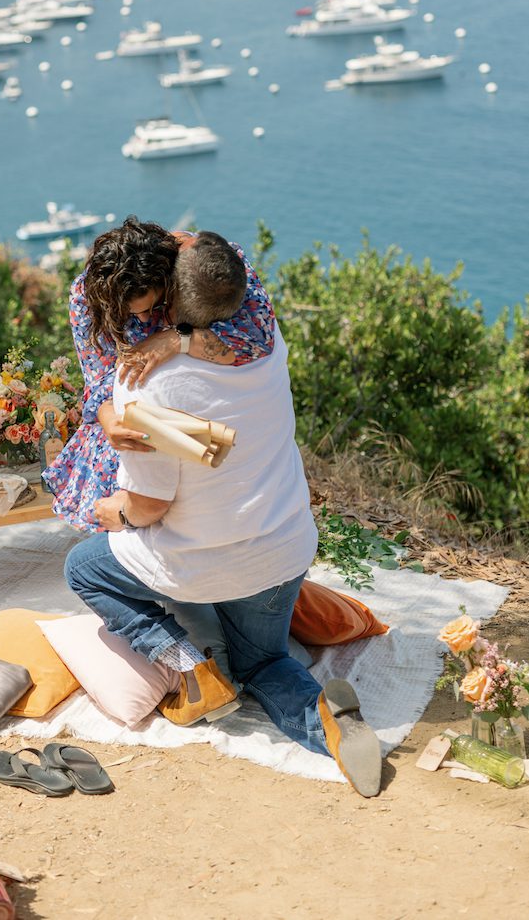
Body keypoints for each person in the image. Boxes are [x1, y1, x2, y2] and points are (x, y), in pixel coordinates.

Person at [63, 326, 384, 797]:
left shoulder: (144, 383)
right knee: (263, 663)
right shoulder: (265, 346)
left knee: (83, 567)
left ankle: (195, 671)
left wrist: (113, 512)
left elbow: (149, 506)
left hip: (203, 566)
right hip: (281, 554)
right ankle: (328, 727)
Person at [42, 217, 276, 531]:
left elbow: (258, 340)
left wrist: (177, 338)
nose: (142, 319)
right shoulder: (86, 298)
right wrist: (109, 420)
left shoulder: (207, 264)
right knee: (121, 477)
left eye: (152, 307)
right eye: (130, 314)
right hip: (136, 416)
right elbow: (97, 378)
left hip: (203, 412)